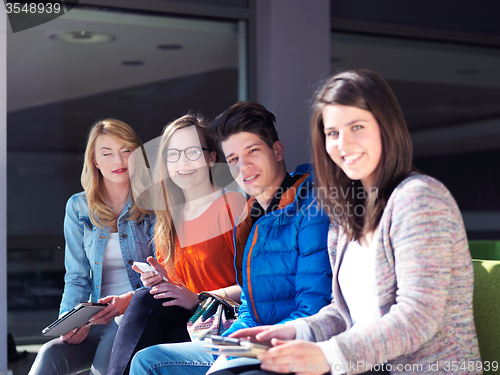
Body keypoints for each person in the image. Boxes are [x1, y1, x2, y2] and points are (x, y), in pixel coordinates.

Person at [218, 70, 482, 375]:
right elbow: (345, 314)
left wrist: (327, 355)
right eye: (332, 133)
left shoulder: (419, 199)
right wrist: (292, 333)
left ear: (386, 127)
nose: (344, 144)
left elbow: (417, 316)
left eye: (357, 127)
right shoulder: (347, 215)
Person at [128, 101, 333, 375]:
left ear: (278, 150)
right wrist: (229, 343)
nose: (244, 166)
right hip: (248, 336)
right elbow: (250, 304)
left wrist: (240, 344)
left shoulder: (310, 209)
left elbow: (313, 308)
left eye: (253, 151)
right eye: (234, 159)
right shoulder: (253, 216)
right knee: (147, 358)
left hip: (286, 342)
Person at [106, 113, 247, 375]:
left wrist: (198, 298)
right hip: (191, 322)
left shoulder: (233, 208)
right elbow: (179, 290)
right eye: (173, 155)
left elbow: (254, 287)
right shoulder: (169, 218)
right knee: (146, 297)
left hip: (227, 323)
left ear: (211, 158)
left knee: (145, 306)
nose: (182, 162)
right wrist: (163, 282)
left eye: (192, 152)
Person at [29, 119, 155, 375]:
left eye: (126, 151)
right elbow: (76, 277)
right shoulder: (78, 207)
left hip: (138, 315)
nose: (118, 161)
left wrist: (128, 301)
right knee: (50, 354)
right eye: (107, 154)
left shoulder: (155, 203)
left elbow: (166, 271)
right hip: (96, 318)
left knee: (105, 360)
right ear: (95, 161)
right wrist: (68, 322)